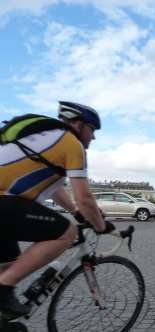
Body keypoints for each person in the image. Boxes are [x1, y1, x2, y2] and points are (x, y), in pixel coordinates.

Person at [0, 101, 110, 317]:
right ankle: (3, 289)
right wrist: (101, 225)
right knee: (67, 233)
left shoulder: (49, 139)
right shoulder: (71, 143)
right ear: (78, 125)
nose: (93, 137)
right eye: (92, 130)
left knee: (9, 265)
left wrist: (77, 213)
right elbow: (85, 197)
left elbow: (55, 190)